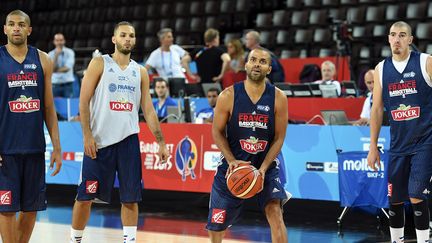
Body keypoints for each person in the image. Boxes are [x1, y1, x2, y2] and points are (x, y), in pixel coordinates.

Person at [69, 21, 169, 243]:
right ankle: (75, 240)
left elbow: (149, 110)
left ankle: (129, 241)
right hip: (99, 142)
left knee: (130, 199)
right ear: (114, 39)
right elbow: (83, 102)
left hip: (128, 142)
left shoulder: (140, 71)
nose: (128, 39)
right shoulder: (100, 63)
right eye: (123, 35)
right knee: (85, 196)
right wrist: (87, 135)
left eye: (131, 36)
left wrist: (161, 142)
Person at [207, 48, 289, 243]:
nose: (257, 64)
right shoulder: (228, 95)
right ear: (246, 65)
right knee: (216, 225)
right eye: (253, 60)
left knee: (275, 213)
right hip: (232, 167)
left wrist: (262, 169)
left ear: (269, 69)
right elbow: (216, 132)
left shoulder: (279, 98)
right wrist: (231, 160)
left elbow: (279, 138)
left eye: (262, 61)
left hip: (266, 166)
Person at [0, 10, 62, 243]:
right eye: (11, 24)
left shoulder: (43, 59)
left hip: (35, 148)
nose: (16, 28)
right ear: (5, 29)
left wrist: (56, 147)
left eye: (21, 24)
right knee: (6, 208)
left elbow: (48, 107)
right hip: (5, 151)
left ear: (29, 29)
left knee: (31, 208)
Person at [367, 21, 432, 243]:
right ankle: (397, 241)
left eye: (402, 35)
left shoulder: (426, 62)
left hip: (425, 141)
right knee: (394, 198)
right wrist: (373, 146)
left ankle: (424, 241)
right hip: (398, 144)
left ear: (410, 40)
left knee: (415, 194)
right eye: (393, 35)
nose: (397, 39)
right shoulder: (381, 69)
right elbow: (376, 110)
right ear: (388, 39)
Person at [48, 33, 76, 98]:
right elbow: (50, 69)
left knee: (68, 106)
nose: (59, 42)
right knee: (54, 107)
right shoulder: (50, 54)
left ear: (64, 41)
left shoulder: (70, 52)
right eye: (57, 40)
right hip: (54, 85)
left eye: (61, 40)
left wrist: (54, 70)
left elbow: (67, 68)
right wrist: (56, 55)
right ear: (54, 42)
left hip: (67, 85)